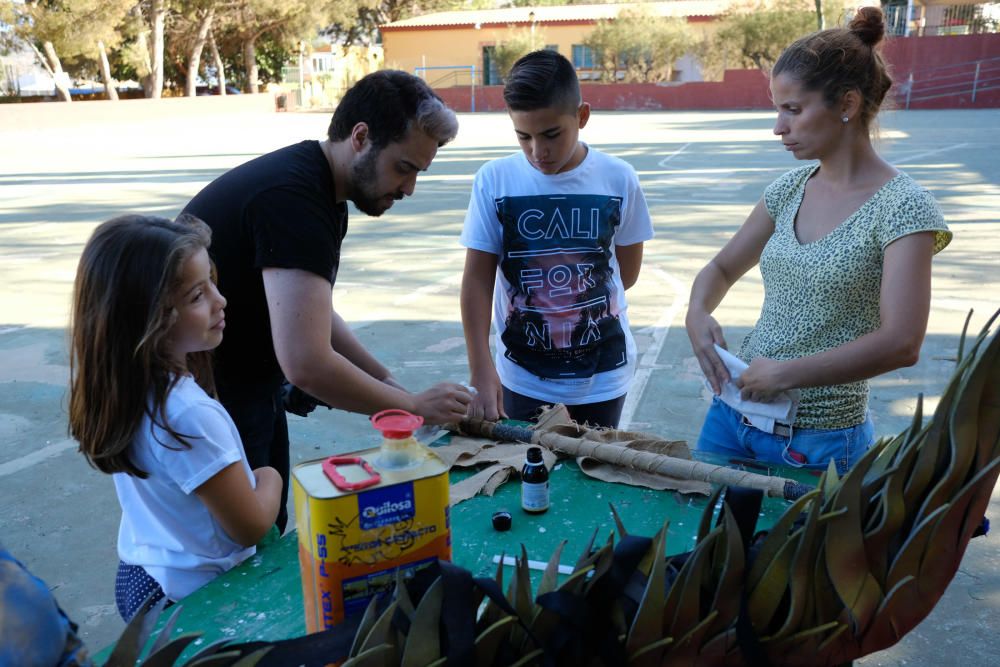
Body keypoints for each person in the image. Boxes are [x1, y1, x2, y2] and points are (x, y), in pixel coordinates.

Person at [181, 71, 473, 533]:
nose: (409, 187)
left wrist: (386, 381)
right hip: (213, 395)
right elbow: (307, 364)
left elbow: (312, 312)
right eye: (404, 167)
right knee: (240, 545)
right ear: (361, 137)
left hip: (237, 382)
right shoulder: (294, 200)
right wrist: (411, 409)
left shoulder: (319, 185)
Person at [685, 6, 952, 473]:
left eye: (793, 109)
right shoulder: (789, 189)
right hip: (731, 418)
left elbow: (902, 342)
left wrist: (785, 374)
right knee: (710, 542)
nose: (778, 127)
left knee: (795, 549)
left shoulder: (905, 208)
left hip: (821, 441)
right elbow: (722, 268)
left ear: (846, 105)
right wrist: (697, 312)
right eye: (777, 109)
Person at [68, 215, 282, 621]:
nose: (221, 301)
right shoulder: (186, 414)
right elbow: (250, 526)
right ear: (150, 318)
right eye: (197, 296)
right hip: (193, 597)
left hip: (142, 569)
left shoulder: (128, 387)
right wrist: (270, 477)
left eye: (213, 284)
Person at [461, 50, 654, 428]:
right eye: (524, 137)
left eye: (551, 134)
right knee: (527, 477)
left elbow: (625, 273)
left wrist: (574, 304)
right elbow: (476, 281)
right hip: (522, 376)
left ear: (581, 117)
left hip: (603, 375)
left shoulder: (619, 177)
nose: (538, 151)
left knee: (593, 477)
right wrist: (481, 368)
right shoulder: (494, 180)